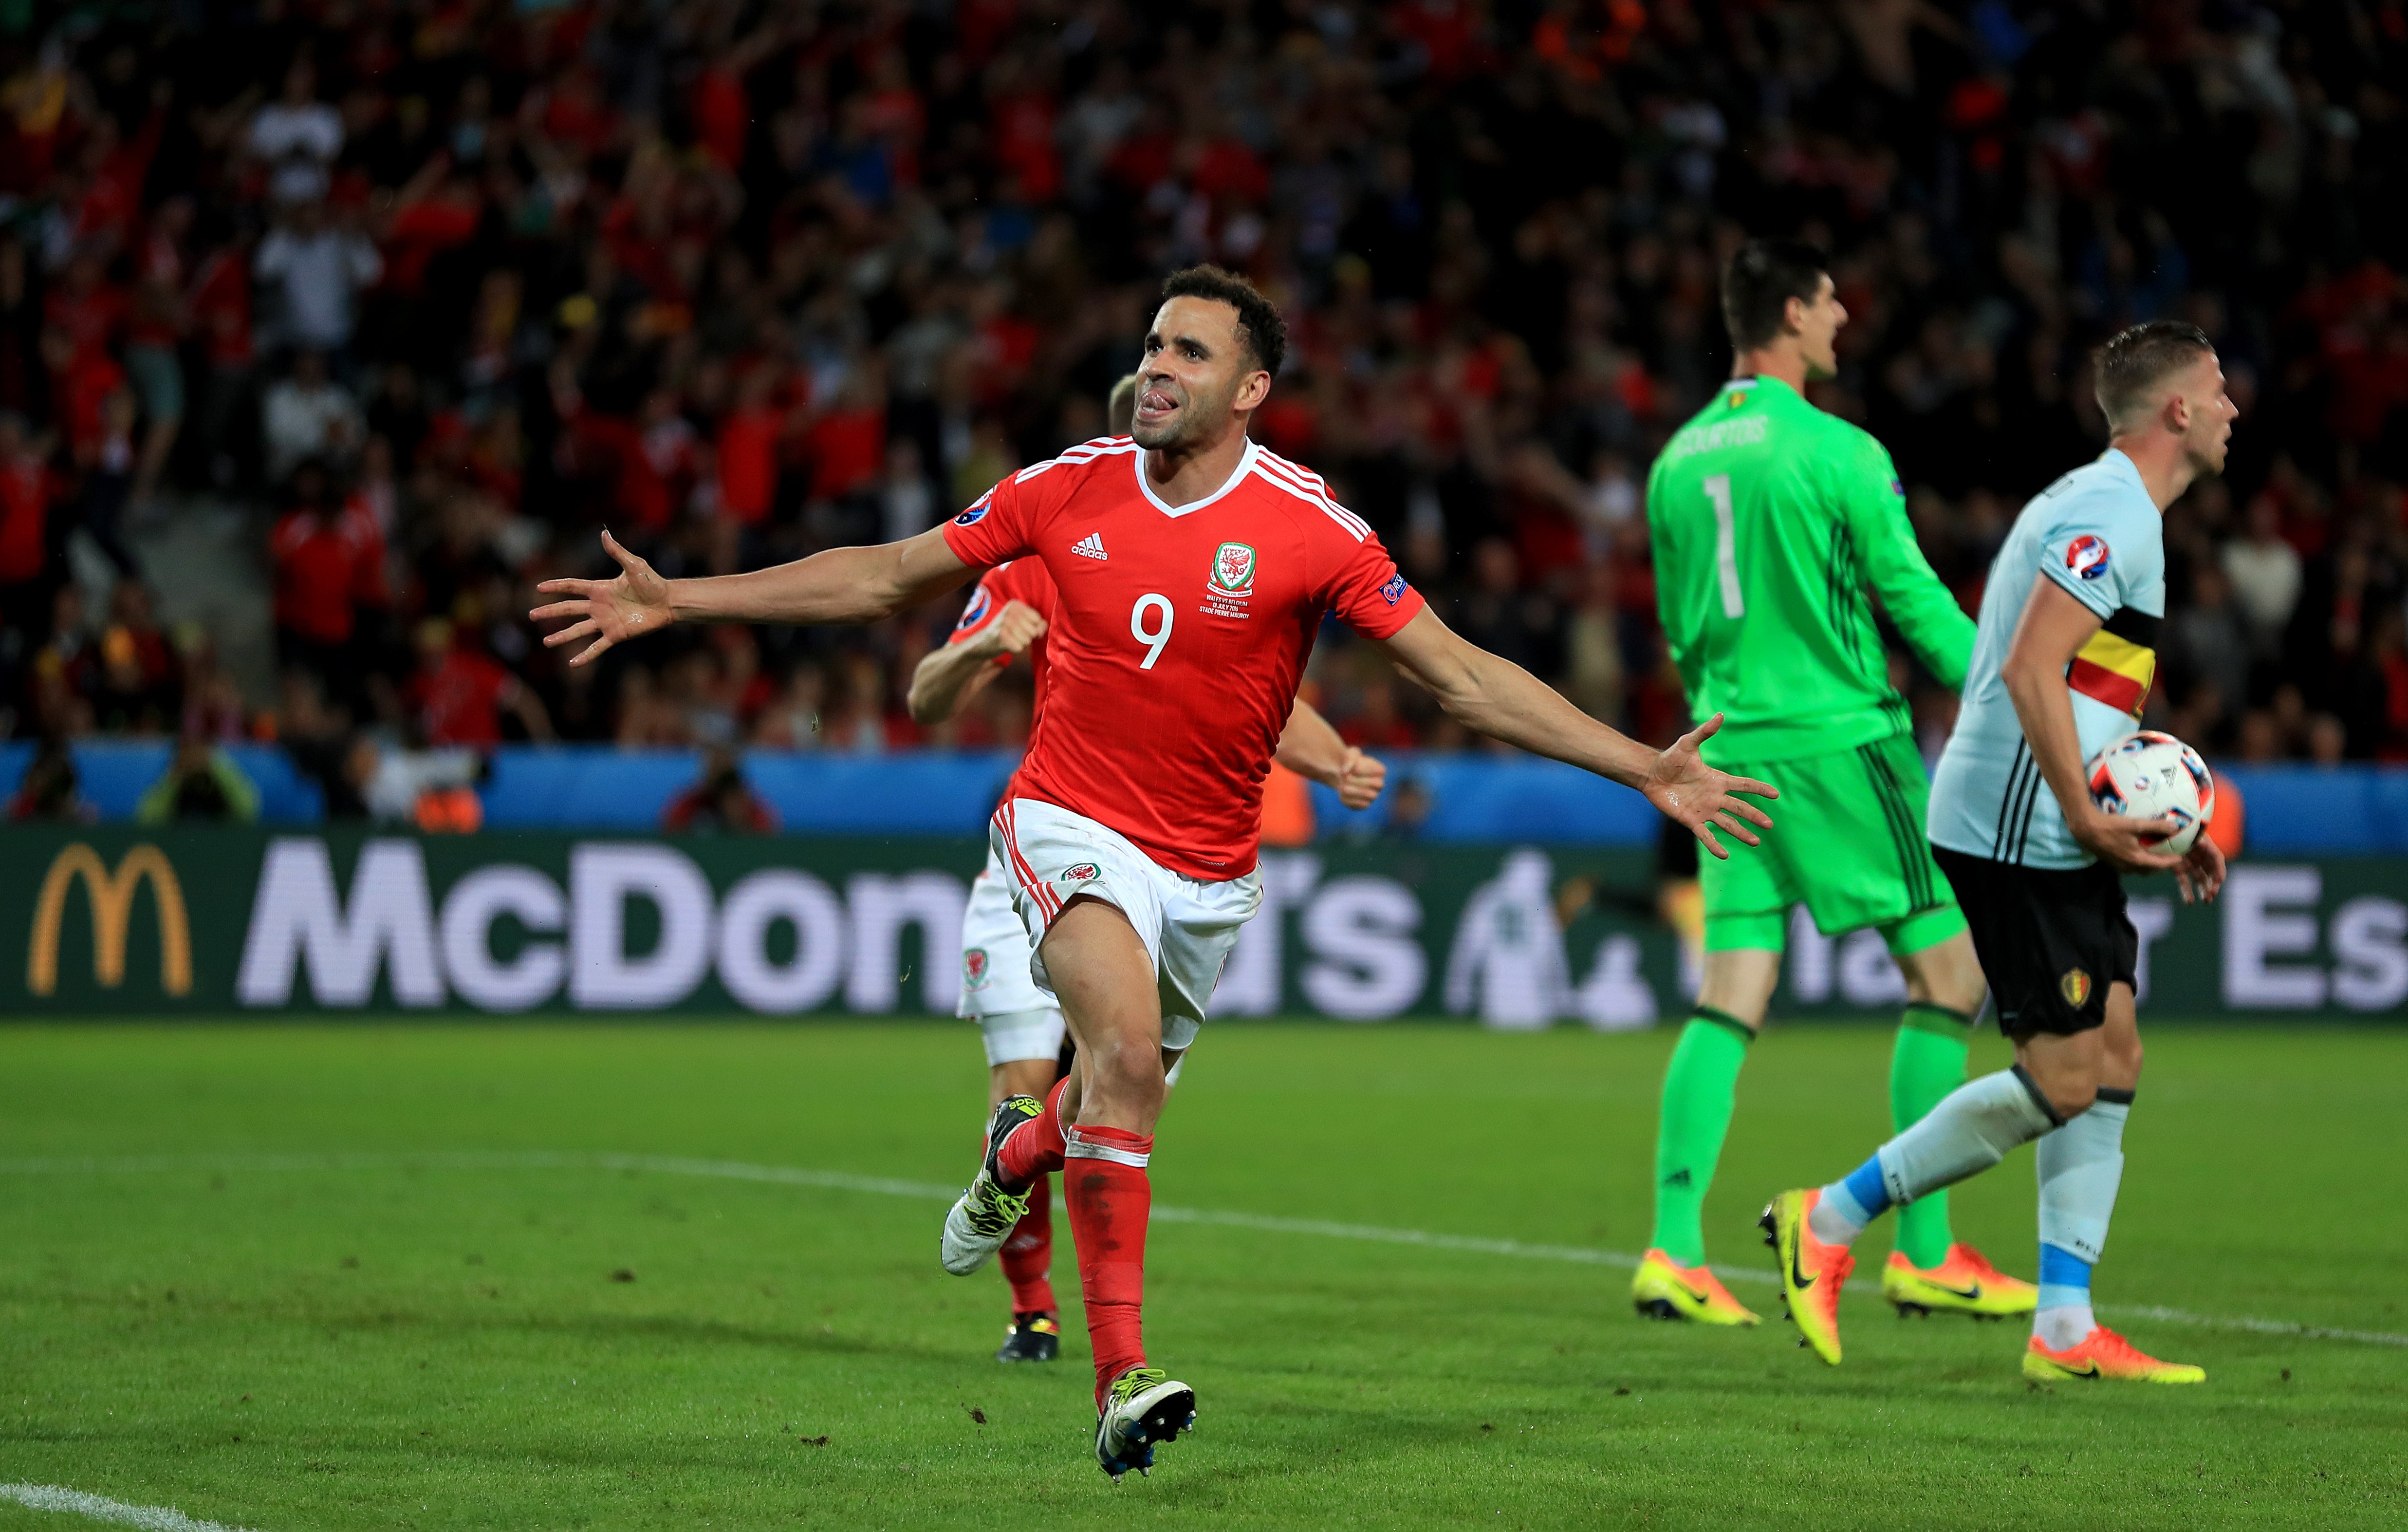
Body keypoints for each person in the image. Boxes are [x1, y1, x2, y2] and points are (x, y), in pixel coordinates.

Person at [533, 265, 1776, 1478]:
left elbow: (1457, 676)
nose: (1155, 368)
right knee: (1118, 1054)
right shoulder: (1063, 488)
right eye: (1151, 344)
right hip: (1065, 821)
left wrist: (1641, 769)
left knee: (1102, 1111)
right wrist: (678, 601)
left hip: (1209, 877)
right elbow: (881, 576)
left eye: (1188, 351)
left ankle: (1015, 1160)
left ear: (1251, 389)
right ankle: (1120, 1380)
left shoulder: (1309, 527)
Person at [1759, 319, 2235, 1383]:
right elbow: (2029, 668)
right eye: (2216, 392)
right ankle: (1827, 1218)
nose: (2230, 410)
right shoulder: (2113, 512)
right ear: (2174, 412)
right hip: (2020, 827)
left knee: (2112, 1049)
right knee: (2064, 1075)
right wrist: (2079, 815)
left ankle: (2062, 1325)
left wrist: (2161, 822)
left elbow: (2075, 686)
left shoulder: (2101, 505)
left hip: (2045, 816)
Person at [1632, 240, 2028, 1329]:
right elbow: (1912, 600)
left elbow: (1677, 623)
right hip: (1839, 745)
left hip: (1722, 752)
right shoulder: (1838, 450)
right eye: (1830, 300)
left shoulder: (1674, 462)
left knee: (1728, 998)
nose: (1844, 314)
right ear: (1793, 314)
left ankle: (1671, 1247)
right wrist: (2017, 701)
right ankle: (1925, 1250)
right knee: (1948, 981)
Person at [906, 516, 1386, 1365]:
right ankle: (1034, 1312)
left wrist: (1335, 759)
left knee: (1111, 1087)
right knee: (1023, 1080)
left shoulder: (1211, 559)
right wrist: (979, 645)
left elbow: (1260, 702)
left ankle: (1007, 1166)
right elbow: (926, 700)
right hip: (1051, 845)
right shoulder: (1047, 551)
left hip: (1162, 874)